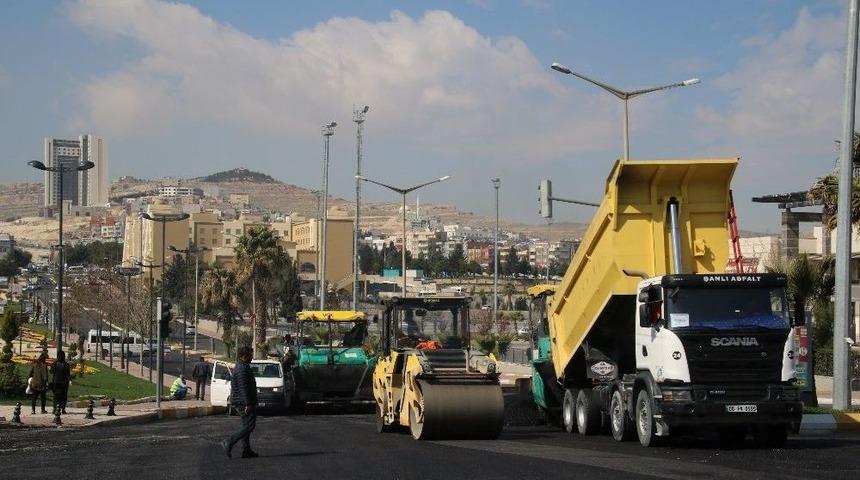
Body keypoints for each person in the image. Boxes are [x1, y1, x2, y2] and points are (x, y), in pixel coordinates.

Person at [221, 346, 258, 459]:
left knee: (246, 425)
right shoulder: (242, 369)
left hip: (242, 401)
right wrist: (248, 403)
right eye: (250, 355)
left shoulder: (243, 367)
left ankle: (246, 450)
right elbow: (243, 388)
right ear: (244, 356)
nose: (252, 357)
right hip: (243, 403)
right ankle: (229, 442)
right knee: (250, 426)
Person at [50, 350, 71, 414]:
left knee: (56, 396)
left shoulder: (55, 363)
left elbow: (51, 372)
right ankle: (63, 409)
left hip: (56, 382)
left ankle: (55, 409)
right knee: (63, 396)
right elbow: (68, 374)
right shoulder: (66, 364)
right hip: (64, 383)